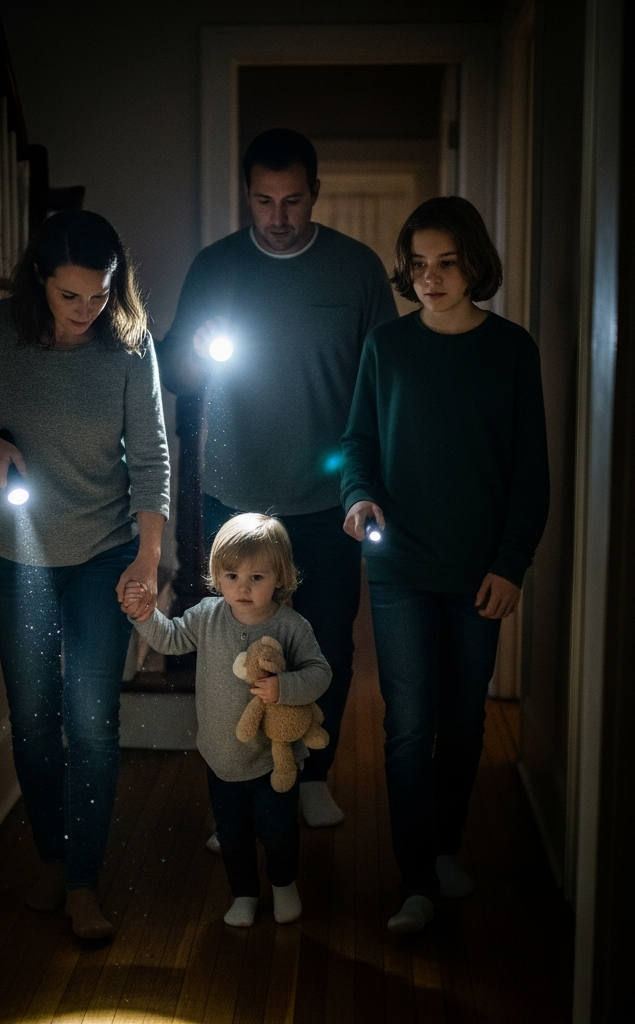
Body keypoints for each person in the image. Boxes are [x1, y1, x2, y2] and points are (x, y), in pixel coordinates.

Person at [159, 128, 398, 828]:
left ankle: (312, 773)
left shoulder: (356, 269)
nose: (279, 216)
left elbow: (384, 379)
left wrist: (370, 480)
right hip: (234, 491)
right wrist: (197, 356)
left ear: (315, 194)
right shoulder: (215, 266)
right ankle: (243, 790)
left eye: (293, 200)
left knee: (324, 642)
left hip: (327, 495)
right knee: (233, 654)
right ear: (247, 196)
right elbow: (174, 374)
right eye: (263, 201)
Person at [0, 210, 170, 940]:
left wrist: (148, 556)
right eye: (70, 296)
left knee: (91, 725)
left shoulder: (130, 343)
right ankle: (50, 856)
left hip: (104, 555)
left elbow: (155, 458)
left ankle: (82, 883)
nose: (85, 312)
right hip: (14, 559)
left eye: (99, 295)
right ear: (39, 280)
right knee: (36, 723)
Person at [340, 196, 550, 934]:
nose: (430, 278)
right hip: (398, 567)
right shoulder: (387, 348)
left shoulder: (512, 350)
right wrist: (359, 495)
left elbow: (531, 473)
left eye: (446, 263)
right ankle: (415, 878)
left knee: (462, 722)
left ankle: (447, 845)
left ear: (474, 266)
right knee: (408, 724)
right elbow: (357, 444)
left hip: (479, 573)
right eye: (418, 265)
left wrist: (512, 564)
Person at [126, 513, 331, 926]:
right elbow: (170, 637)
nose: (243, 586)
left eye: (257, 577)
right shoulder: (206, 615)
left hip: (276, 759)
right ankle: (244, 894)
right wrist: (143, 615)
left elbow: (320, 673)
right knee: (233, 836)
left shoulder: (291, 626)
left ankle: (283, 884)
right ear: (217, 575)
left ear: (280, 577)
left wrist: (284, 687)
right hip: (222, 757)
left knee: (278, 832)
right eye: (233, 575)